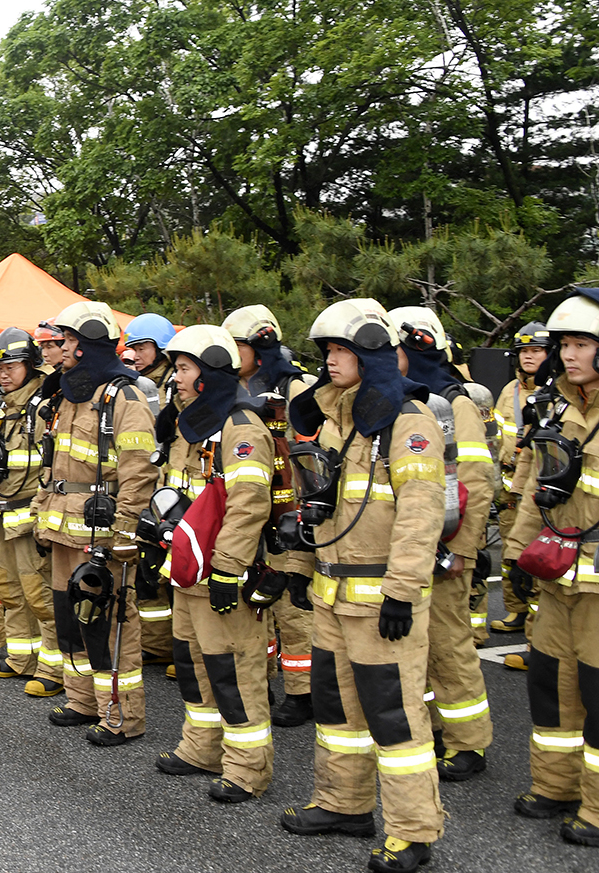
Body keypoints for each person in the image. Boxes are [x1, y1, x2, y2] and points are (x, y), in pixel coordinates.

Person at [279, 299, 446, 873]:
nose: (328, 360)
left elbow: (422, 513)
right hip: (331, 596)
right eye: (325, 351)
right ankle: (343, 805)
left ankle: (413, 832)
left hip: (381, 603)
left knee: (394, 717)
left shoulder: (409, 421)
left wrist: (402, 590)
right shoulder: (332, 420)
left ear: (372, 354)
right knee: (337, 711)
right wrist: (302, 570)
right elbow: (317, 506)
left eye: (340, 350)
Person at [150, 324, 278, 802]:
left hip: (222, 573)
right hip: (188, 569)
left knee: (233, 671)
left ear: (209, 373)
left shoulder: (240, 427)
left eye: (183, 369)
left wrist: (228, 567)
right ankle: (201, 748)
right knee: (191, 662)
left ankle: (247, 769)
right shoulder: (193, 424)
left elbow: (249, 504)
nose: (176, 378)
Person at [33, 301, 158, 747]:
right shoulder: (69, 395)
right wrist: (40, 518)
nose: (57, 349)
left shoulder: (123, 397)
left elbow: (139, 470)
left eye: (65, 341)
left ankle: (120, 715)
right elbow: (54, 467)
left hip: (100, 534)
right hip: (62, 528)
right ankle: (82, 699)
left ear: (84, 345)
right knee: (71, 618)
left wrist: (124, 533)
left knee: (110, 623)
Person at [502, 289, 599, 848]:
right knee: (551, 686)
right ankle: (556, 786)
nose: (568, 354)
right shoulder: (554, 408)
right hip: (557, 575)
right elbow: (533, 492)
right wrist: (515, 556)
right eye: (564, 344)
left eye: (582, 343)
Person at [389, 306, 495, 783]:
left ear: (416, 345)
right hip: (410, 546)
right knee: (418, 645)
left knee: (450, 645)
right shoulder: (397, 401)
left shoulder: (455, 404)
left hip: (447, 549)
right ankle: (431, 726)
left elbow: (477, 480)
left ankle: (469, 742)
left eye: (395, 347)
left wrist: (465, 552)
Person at [223, 304, 318, 728]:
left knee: (292, 611)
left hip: (287, 516)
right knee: (252, 603)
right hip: (248, 514)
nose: (228, 354)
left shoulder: (295, 388)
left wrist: (303, 518)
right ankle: (260, 681)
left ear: (259, 346)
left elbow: (314, 459)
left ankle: (304, 692)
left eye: (236, 346)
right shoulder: (229, 389)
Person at [0, 327, 65, 697]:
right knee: (10, 589)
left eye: (12, 366)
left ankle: (55, 668)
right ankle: (20, 657)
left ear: (30, 366)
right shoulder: (7, 405)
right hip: (3, 510)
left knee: (40, 594)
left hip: (29, 513)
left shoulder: (44, 405)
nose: (4, 374)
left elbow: (48, 461)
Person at [492, 322, 549, 664]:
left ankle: (538, 634)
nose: (529, 357)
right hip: (510, 484)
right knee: (512, 554)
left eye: (536, 351)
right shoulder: (508, 391)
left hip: (536, 486)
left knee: (539, 559)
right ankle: (515, 613)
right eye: (524, 351)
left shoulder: (554, 392)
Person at [125, 311, 180, 668]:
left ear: (161, 349)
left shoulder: (175, 383)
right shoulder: (133, 384)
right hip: (149, 483)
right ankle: (159, 645)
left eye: (143, 347)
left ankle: (181, 647)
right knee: (148, 570)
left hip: (174, 488)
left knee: (177, 570)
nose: (136, 355)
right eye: (132, 348)